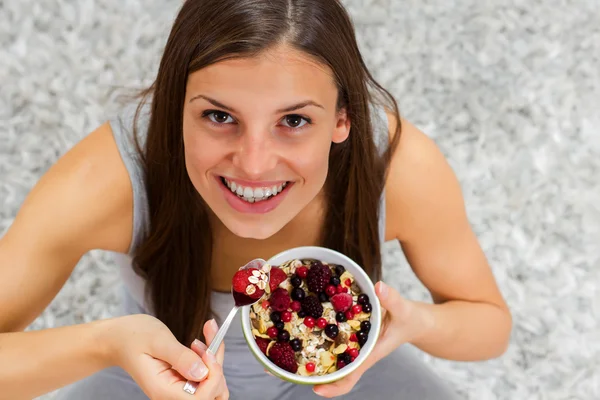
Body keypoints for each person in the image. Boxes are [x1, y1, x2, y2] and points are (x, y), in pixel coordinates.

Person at [0, 0, 513, 399]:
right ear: (175, 107)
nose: (253, 165)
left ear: (342, 120)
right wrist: (106, 343)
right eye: (219, 116)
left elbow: (490, 325)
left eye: (293, 121)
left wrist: (416, 323)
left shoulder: (401, 169)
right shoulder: (106, 179)